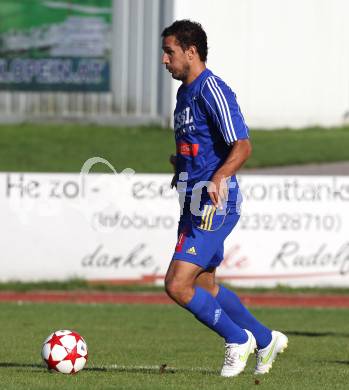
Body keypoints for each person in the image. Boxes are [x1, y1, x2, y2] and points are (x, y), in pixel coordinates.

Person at [161, 19, 288, 377]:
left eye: (169, 52)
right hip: (193, 201)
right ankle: (265, 339)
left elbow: (242, 145)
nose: (164, 59)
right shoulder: (184, 93)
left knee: (177, 284)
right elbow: (201, 144)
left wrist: (218, 177)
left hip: (214, 202)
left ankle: (237, 339)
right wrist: (181, 165)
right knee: (205, 285)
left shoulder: (211, 88)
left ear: (191, 51)